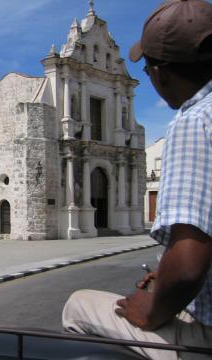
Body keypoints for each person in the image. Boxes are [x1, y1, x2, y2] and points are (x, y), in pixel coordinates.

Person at [61, 0, 212, 359]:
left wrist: (154, 307)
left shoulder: (195, 121)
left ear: (160, 73)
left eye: (146, 71)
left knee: (78, 305)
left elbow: (190, 266)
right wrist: (166, 277)